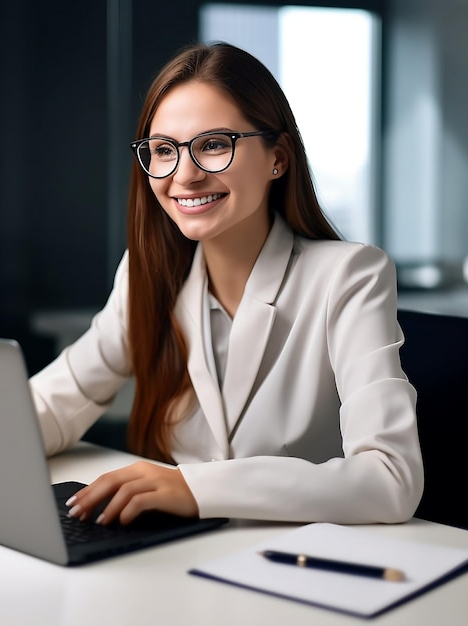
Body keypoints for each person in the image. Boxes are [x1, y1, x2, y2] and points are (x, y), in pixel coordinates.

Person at [30, 42, 424, 527]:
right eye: (163, 150)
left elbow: (390, 479)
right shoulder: (148, 273)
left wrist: (194, 487)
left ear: (277, 158)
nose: (185, 175)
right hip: (185, 555)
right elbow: (56, 399)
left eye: (214, 144)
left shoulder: (348, 275)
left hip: (299, 562)